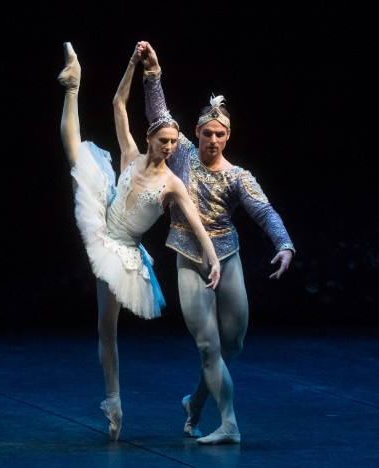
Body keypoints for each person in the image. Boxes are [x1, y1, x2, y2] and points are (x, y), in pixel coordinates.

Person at [58, 42, 221, 442]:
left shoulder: (173, 183)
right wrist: (132, 62)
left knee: (107, 329)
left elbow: (198, 224)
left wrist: (212, 258)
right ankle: (72, 86)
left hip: (123, 252)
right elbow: (118, 102)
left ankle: (114, 403)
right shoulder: (130, 153)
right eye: (163, 140)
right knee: (76, 153)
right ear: (151, 139)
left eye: (173, 142)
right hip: (103, 222)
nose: (169, 147)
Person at [136, 41, 296, 445]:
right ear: (197, 133)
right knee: (208, 345)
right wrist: (153, 72)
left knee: (232, 345)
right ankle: (229, 423)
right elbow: (158, 115)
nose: (212, 139)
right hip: (188, 255)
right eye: (206, 132)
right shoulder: (181, 155)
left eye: (219, 134)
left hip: (228, 254)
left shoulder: (238, 176)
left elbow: (265, 211)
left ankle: (196, 403)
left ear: (228, 136)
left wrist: (285, 244)